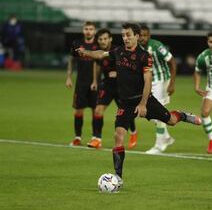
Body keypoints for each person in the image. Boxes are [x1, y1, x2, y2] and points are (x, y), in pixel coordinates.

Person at [76, 23, 201, 187]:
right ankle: (118, 177)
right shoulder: (118, 51)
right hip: (125, 102)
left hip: (145, 100)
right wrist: (87, 52)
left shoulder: (144, 56)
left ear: (136, 36)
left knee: (170, 120)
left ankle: (183, 115)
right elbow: (101, 54)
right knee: (118, 135)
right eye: (123, 35)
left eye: (128, 35)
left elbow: (148, 80)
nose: (125, 38)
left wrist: (143, 104)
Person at [139, 25, 193, 154]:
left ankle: (159, 145)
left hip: (162, 81)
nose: (142, 38)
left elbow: (172, 62)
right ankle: (166, 137)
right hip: (149, 82)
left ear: (149, 35)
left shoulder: (157, 46)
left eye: (145, 35)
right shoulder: (137, 48)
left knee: (157, 112)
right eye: (140, 35)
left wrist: (172, 83)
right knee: (149, 113)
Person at [90, 28, 138, 149]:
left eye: (105, 38)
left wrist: (118, 73)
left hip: (122, 86)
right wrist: (95, 81)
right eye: (100, 39)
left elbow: (130, 67)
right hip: (107, 86)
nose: (103, 41)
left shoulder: (119, 51)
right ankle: (96, 139)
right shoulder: (98, 52)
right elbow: (96, 64)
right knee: (98, 110)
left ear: (110, 39)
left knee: (127, 114)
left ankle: (133, 132)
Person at [66, 21, 100, 148]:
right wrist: (69, 77)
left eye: (91, 29)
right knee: (78, 110)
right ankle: (77, 137)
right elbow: (71, 59)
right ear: (83, 30)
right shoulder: (77, 44)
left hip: (95, 83)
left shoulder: (98, 45)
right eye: (86, 29)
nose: (88, 31)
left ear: (94, 31)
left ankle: (95, 138)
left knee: (95, 111)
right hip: (81, 83)